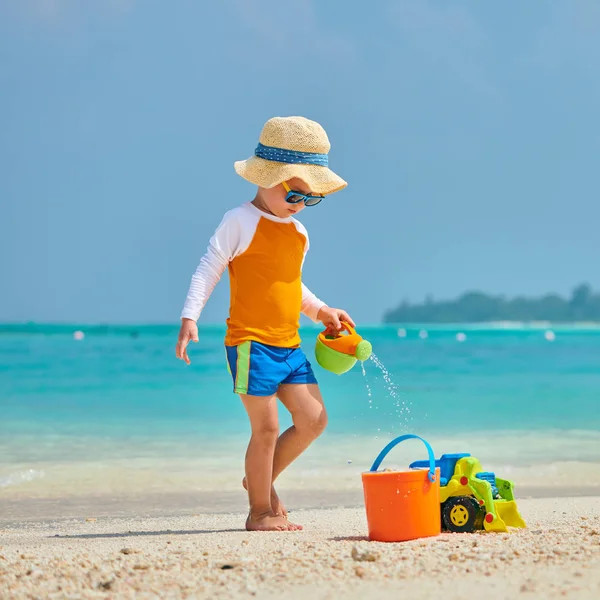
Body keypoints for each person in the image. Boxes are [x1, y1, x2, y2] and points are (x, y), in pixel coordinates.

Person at [176, 116, 354, 531]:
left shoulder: (298, 233)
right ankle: (259, 512)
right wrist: (190, 316)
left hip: (289, 346)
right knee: (268, 427)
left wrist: (322, 311)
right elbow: (209, 268)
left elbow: (292, 287)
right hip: (249, 345)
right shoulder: (238, 221)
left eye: (310, 198)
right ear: (267, 178)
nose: (299, 203)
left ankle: (258, 479)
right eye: (294, 193)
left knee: (314, 420)